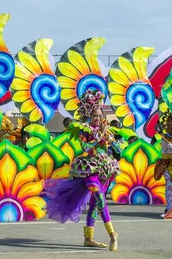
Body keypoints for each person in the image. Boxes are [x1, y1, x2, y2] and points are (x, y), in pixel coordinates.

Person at [42, 89, 120, 251]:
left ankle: (88, 238)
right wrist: (99, 136)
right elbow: (85, 147)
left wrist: (110, 139)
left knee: (94, 204)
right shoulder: (84, 130)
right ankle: (113, 235)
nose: (98, 118)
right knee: (99, 197)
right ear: (89, 116)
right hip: (89, 169)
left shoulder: (105, 129)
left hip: (104, 170)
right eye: (95, 116)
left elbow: (117, 149)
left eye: (100, 115)